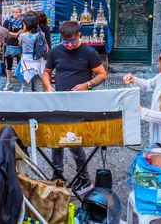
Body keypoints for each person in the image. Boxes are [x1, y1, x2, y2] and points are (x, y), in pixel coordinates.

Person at [42, 21, 108, 194]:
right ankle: (57, 178)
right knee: (56, 140)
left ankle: (83, 177)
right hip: (58, 102)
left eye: (72, 41)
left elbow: (102, 74)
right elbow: (46, 72)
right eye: (66, 41)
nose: (69, 45)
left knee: (74, 141)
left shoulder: (89, 52)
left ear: (79, 35)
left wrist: (88, 84)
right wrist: (49, 88)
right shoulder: (56, 51)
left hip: (79, 104)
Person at [124, 49, 161, 147]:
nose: (160, 71)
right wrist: (134, 79)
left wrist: (141, 110)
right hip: (158, 136)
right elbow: (148, 83)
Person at [18, 13, 48, 92]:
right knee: (38, 85)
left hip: (26, 62)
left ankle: (28, 103)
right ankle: (39, 102)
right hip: (38, 61)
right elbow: (46, 48)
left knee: (26, 86)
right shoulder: (41, 35)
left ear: (25, 24)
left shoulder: (22, 36)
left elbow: (20, 45)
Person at [3, 8, 24, 90]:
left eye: (20, 12)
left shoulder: (23, 22)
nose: (18, 13)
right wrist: (16, 34)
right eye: (16, 12)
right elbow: (6, 32)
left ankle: (23, 84)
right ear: (12, 13)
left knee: (21, 65)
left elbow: (24, 32)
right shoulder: (7, 22)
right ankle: (8, 82)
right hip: (10, 45)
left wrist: (12, 34)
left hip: (20, 46)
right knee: (9, 65)